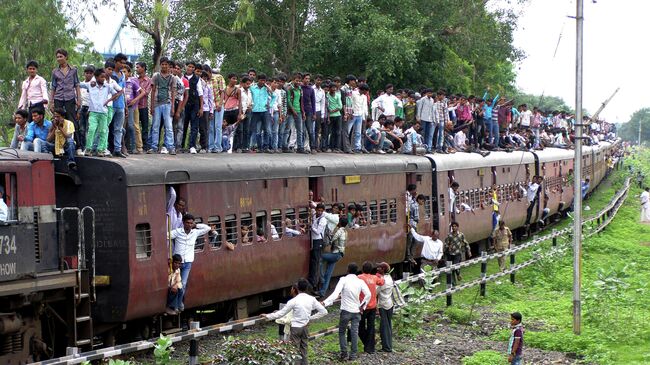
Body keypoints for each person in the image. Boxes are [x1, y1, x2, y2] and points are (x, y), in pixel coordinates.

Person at [262, 278, 327, 365]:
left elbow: (280, 314)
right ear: (307, 287)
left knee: (294, 351)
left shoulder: (293, 301)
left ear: (297, 288)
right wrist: (310, 318)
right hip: (305, 327)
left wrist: (267, 316)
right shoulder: (312, 299)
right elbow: (324, 312)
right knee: (304, 350)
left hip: (295, 328)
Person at [322, 263, 371, 362]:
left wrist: (325, 302)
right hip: (356, 311)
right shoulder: (360, 281)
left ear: (348, 270)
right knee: (354, 332)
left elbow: (336, 294)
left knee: (342, 332)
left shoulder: (343, 280)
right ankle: (353, 355)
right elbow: (368, 294)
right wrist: (362, 306)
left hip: (346, 311)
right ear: (356, 271)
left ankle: (344, 353)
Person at [169, 214, 214, 310]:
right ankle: (174, 304)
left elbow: (207, 228)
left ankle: (179, 303)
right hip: (177, 263)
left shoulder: (195, 232)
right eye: (187, 223)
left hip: (188, 262)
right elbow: (167, 236)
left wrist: (196, 225)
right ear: (183, 223)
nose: (189, 225)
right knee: (174, 283)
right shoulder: (178, 232)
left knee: (183, 284)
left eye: (191, 223)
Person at [79, 68, 123, 157]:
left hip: (104, 113)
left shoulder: (107, 86)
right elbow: (78, 84)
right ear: (96, 77)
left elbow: (118, 93)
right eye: (101, 77)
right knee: (91, 130)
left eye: (104, 77)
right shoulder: (90, 85)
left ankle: (100, 150)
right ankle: (88, 149)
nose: (103, 79)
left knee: (103, 131)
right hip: (93, 112)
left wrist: (108, 101)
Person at [50, 49, 81, 150]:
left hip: (70, 98)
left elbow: (76, 85)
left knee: (72, 121)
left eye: (61, 56)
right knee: (57, 120)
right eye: (57, 57)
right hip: (58, 97)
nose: (59, 59)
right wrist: (51, 102)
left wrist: (79, 99)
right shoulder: (55, 71)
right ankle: (58, 146)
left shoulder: (73, 70)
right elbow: (53, 87)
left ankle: (78, 146)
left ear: (66, 57)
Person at [148, 57, 177, 154]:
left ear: (169, 66)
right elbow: (153, 91)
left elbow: (173, 92)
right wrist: (151, 106)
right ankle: (154, 146)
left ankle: (170, 147)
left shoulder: (172, 78)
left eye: (166, 64)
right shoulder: (156, 76)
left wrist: (173, 107)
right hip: (157, 103)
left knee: (168, 126)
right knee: (155, 126)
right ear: (160, 65)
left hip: (167, 103)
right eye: (162, 64)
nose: (164, 66)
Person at [357, 261, 384, 354]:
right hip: (373, 306)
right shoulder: (374, 278)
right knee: (371, 326)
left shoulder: (359, 278)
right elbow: (382, 282)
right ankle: (370, 348)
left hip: (363, 307)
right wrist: (379, 275)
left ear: (362, 269)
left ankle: (366, 344)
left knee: (360, 327)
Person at [319, 217, 347, 297]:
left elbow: (332, 240)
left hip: (335, 254)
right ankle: (322, 292)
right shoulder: (345, 231)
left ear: (340, 223)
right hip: (339, 254)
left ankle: (321, 278)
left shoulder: (339, 231)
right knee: (328, 274)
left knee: (320, 257)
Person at [376, 262, 394, 353]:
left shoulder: (383, 281)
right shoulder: (389, 277)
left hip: (383, 305)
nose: (377, 268)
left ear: (383, 269)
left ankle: (387, 347)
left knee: (384, 327)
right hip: (389, 304)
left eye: (379, 267)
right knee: (388, 326)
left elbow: (375, 291)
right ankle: (388, 345)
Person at [308, 203, 327, 288]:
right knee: (313, 261)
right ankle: (312, 280)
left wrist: (311, 227)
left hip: (318, 241)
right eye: (318, 210)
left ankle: (314, 282)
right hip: (313, 240)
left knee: (315, 261)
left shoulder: (323, 220)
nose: (319, 212)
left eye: (321, 211)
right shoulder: (314, 216)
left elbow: (318, 232)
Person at [406, 194, 426, 265]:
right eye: (422, 201)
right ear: (419, 199)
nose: (422, 203)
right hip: (412, 224)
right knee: (412, 240)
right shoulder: (415, 206)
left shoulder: (412, 204)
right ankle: (409, 256)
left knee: (412, 240)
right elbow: (416, 217)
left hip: (412, 224)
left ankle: (410, 256)